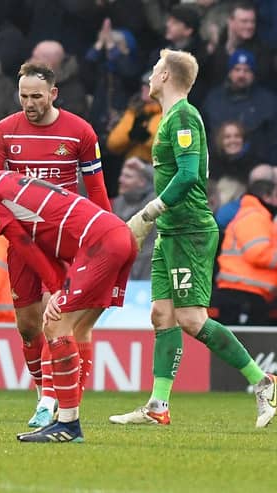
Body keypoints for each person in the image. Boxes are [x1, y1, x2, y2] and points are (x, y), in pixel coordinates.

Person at [109, 49, 277, 428]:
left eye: (154, 70)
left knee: (190, 318)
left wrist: (148, 212)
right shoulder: (171, 117)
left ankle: (263, 381)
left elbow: (187, 177)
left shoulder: (184, 115)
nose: (150, 77)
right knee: (161, 314)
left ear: (167, 76)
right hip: (172, 231)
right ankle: (158, 405)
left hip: (190, 229)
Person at [0, 146, 137, 443]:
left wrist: (57, 286)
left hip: (98, 243)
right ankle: (65, 419)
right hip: (118, 235)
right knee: (80, 328)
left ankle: (68, 426)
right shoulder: (3, 178)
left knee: (56, 325)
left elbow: (21, 242)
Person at [0, 62, 112, 428]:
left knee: (56, 320)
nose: (29, 103)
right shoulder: (4, 131)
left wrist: (106, 239)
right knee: (28, 326)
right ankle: (42, 395)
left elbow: (96, 191)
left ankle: (55, 399)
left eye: (36, 96)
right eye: (23, 96)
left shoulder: (80, 132)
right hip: (21, 242)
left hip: (65, 241)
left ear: (53, 94)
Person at [212, 179, 277, 326]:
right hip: (243, 293)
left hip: (246, 292)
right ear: (266, 197)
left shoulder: (253, 216)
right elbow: (257, 253)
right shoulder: (255, 217)